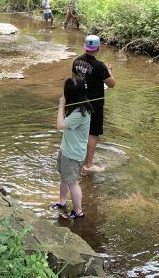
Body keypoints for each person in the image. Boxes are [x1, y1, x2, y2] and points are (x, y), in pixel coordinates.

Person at [72, 35, 115, 173]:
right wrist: (108, 71)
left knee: (81, 131)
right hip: (95, 104)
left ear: (85, 47)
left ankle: (79, 159)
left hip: (79, 101)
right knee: (93, 133)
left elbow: (74, 80)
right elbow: (112, 84)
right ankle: (88, 165)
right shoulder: (100, 65)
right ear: (98, 48)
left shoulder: (76, 61)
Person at [51, 77, 92, 220]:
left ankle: (78, 212)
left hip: (73, 154)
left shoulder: (79, 113)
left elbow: (59, 125)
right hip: (67, 150)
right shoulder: (78, 106)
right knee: (64, 178)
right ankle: (62, 202)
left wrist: (61, 104)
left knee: (73, 183)